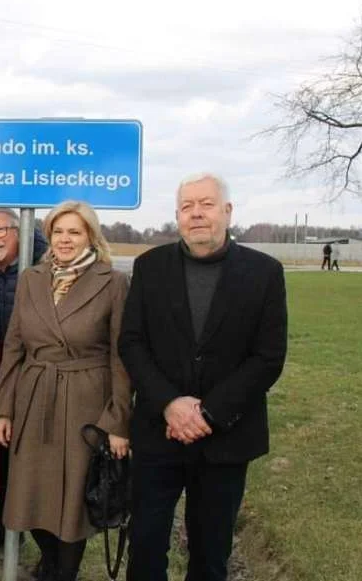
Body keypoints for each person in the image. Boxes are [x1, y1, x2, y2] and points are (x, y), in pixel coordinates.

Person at [118, 173, 287, 581]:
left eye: (206, 204)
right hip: (159, 433)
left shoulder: (264, 272)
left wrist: (208, 414)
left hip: (227, 438)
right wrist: (170, 404)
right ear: (177, 216)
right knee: (145, 548)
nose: (196, 214)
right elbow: (132, 343)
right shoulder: (149, 267)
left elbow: (268, 357)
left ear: (227, 212)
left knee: (211, 554)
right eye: (187, 206)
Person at [0, 200, 131, 581]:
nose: (65, 239)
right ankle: (51, 562)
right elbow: (14, 346)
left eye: (75, 231)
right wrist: (3, 408)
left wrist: (118, 421)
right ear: (48, 235)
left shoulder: (113, 282)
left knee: (72, 503)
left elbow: (122, 356)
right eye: (58, 231)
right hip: (35, 395)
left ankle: (63, 572)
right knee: (28, 493)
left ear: (90, 236)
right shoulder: (31, 278)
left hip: (87, 400)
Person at [0, 207, 47, 548]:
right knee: (2, 453)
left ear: (20, 231)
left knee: (37, 461)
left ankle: (47, 542)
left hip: (38, 376)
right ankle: (5, 527)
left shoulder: (43, 269)